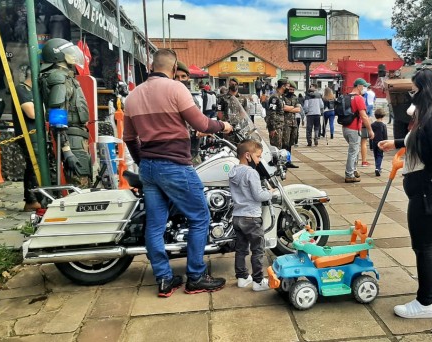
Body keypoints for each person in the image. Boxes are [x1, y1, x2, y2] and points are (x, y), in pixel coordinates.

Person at [123, 49, 233, 297]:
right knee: (200, 217)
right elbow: (202, 124)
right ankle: (195, 276)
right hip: (174, 165)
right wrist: (223, 126)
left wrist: (143, 162)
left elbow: (129, 138)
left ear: (152, 66)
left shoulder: (133, 96)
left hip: (150, 167)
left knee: (155, 226)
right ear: (173, 70)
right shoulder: (176, 89)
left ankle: (164, 279)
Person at [378, 68, 432, 319]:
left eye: (414, 89)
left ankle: (425, 303)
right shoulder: (430, 116)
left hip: (431, 194)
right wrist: (396, 143)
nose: (411, 93)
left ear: (425, 89)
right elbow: (419, 140)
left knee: (425, 248)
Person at [39, 38, 92, 187]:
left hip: (76, 135)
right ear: (58, 56)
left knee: (82, 181)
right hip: (71, 138)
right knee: (78, 185)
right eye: (69, 52)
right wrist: (67, 150)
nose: (74, 56)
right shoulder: (58, 77)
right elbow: (57, 114)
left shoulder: (65, 77)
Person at [229, 140, 273, 292]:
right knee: (258, 250)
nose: (260, 160)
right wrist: (270, 193)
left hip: (237, 216)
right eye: (258, 157)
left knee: (241, 249)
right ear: (248, 155)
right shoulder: (251, 172)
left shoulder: (233, 171)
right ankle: (258, 281)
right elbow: (258, 195)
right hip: (251, 218)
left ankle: (242, 278)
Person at [11, 65, 42, 211]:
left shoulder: (35, 92)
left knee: (36, 166)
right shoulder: (21, 89)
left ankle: (35, 198)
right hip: (28, 134)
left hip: (38, 135)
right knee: (33, 166)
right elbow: (32, 113)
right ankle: (31, 200)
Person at [343, 78, 374, 183]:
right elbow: (364, 116)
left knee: (355, 150)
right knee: (353, 152)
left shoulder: (347, 96)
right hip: (354, 128)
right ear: (359, 86)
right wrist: (370, 130)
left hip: (345, 128)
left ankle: (354, 170)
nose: (365, 88)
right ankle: (349, 174)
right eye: (364, 86)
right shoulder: (358, 98)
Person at [266, 79, 290, 149]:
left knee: (281, 147)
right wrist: (273, 128)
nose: (288, 88)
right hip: (276, 127)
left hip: (280, 126)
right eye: (287, 86)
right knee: (276, 148)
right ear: (283, 86)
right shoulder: (274, 97)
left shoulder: (280, 96)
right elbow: (272, 113)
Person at [282, 81, 301, 168]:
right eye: (290, 89)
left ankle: (288, 161)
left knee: (290, 143)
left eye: (293, 89)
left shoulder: (295, 97)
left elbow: (298, 110)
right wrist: (293, 108)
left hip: (293, 123)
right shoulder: (283, 97)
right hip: (285, 123)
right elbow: (283, 108)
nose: (292, 91)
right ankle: (283, 161)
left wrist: (289, 108)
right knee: (284, 144)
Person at [370, 108, 388, 177]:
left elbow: (371, 136)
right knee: (380, 155)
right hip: (381, 143)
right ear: (383, 116)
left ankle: (377, 167)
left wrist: (371, 145)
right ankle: (378, 168)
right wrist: (386, 144)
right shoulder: (383, 125)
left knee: (375, 155)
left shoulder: (372, 125)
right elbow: (385, 136)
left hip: (374, 142)